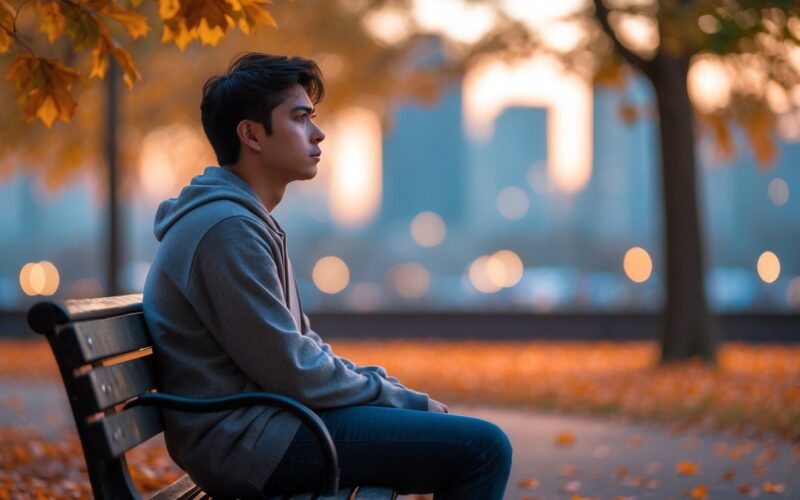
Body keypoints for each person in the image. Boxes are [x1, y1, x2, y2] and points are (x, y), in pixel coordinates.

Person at [143, 52, 512, 499]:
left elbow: (301, 350)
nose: (318, 133)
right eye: (300, 119)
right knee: (484, 447)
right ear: (251, 134)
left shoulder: (240, 220)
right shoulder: (227, 230)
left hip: (267, 426)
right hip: (251, 443)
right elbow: (294, 369)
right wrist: (400, 400)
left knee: (463, 441)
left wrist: (389, 389)